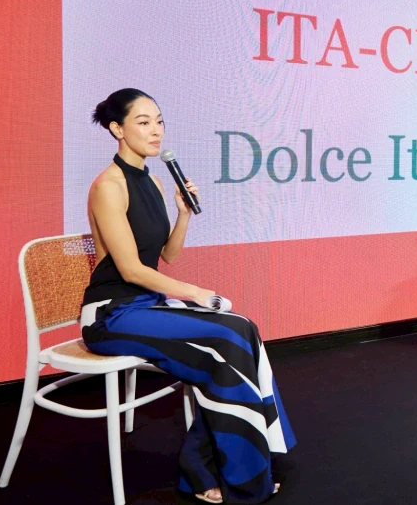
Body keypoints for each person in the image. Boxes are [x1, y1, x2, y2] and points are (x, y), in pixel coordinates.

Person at [79, 89, 295, 504]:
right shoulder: (108, 186)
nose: (156, 131)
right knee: (223, 343)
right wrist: (197, 293)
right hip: (111, 313)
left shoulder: (155, 180)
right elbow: (131, 270)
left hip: (146, 304)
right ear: (117, 129)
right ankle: (226, 475)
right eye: (143, 122)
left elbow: (168, 256)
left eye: (159, 121)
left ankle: (218, 464)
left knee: (243, 329)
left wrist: (182, 213)